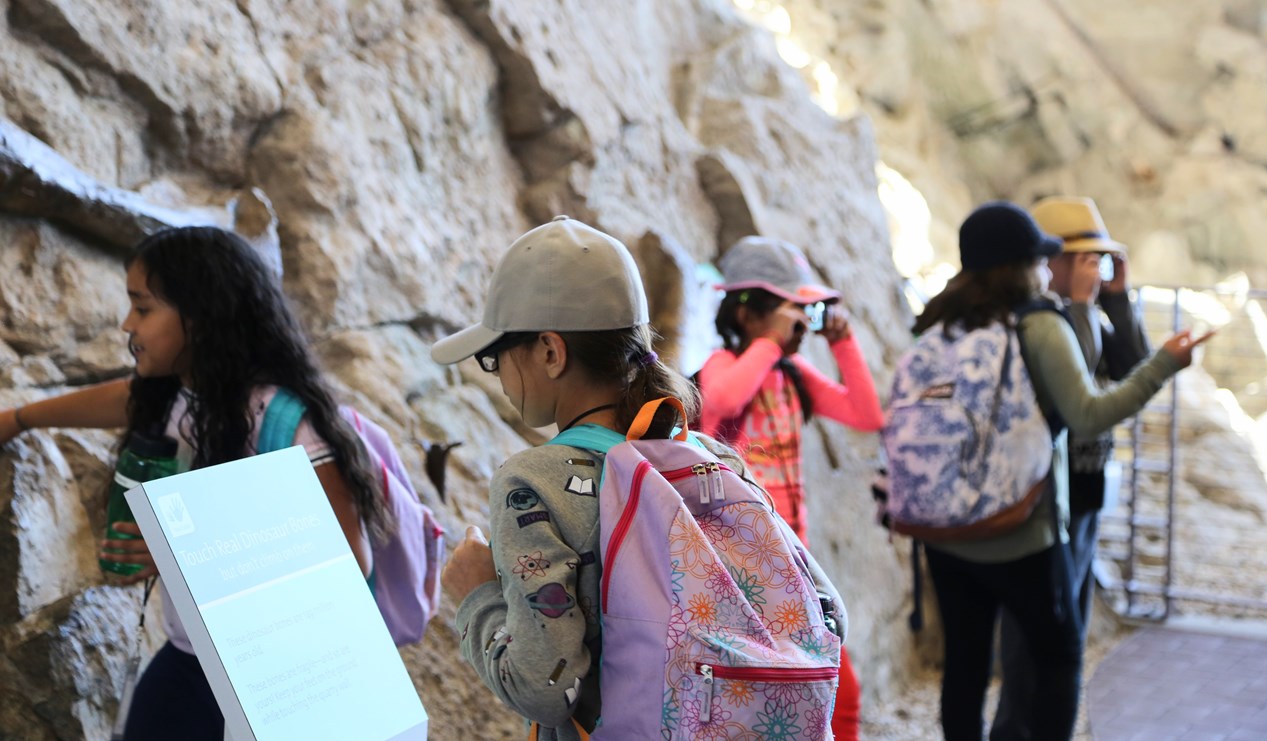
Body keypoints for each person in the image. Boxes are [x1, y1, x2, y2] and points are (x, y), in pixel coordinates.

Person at [433, 216, 846, 740]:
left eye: (495, 358)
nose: (498, 376)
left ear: (550, 351)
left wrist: (475, 595)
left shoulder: (531, 483)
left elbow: (542, 687)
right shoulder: (710, 457)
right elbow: (830, 618)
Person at [0, 226, 389, 740]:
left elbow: (349, 561)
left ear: (202, 318)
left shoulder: (281, 421)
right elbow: (123, 398)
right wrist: (21, 418)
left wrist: (181, 552)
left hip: (276, 676)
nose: (125, 324)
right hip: (191, 658)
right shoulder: (175, 394)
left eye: (142, 308)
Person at [914, 202, 1211, 741]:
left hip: (947, 526)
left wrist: (1108, 302)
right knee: (1058, 657)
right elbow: (1090, 414)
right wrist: (1165, 363)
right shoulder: (1041, 325)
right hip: (1021, 523)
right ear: (1030, 264)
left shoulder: (938, 323)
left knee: (965, 667)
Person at [697, 235, 884, 740]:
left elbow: (866, 415)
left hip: (796, 559)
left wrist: (842, 342)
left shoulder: (791, 373)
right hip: (741, 565)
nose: (801, 325)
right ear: (746, 314)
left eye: (806, 314)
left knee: (840, 691)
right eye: (790, 312)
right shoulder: (723, 367)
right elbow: (726, 397)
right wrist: (768, 344)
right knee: (770, 691)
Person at [991, 196, 1151, 741]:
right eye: (1086, 258)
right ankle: (1015, 729)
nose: (1095, 269)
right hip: (1042, 496)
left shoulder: (1088, 314)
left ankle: (1040, 725)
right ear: (1053, 260)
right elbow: (1077, 399)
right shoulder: (1039, 319)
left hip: (1085, 488)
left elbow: (1134, 372)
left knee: (1068, 626)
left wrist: (1119, 298)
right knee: (1033, 633)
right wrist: (1083, 305)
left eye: (1101, 260)